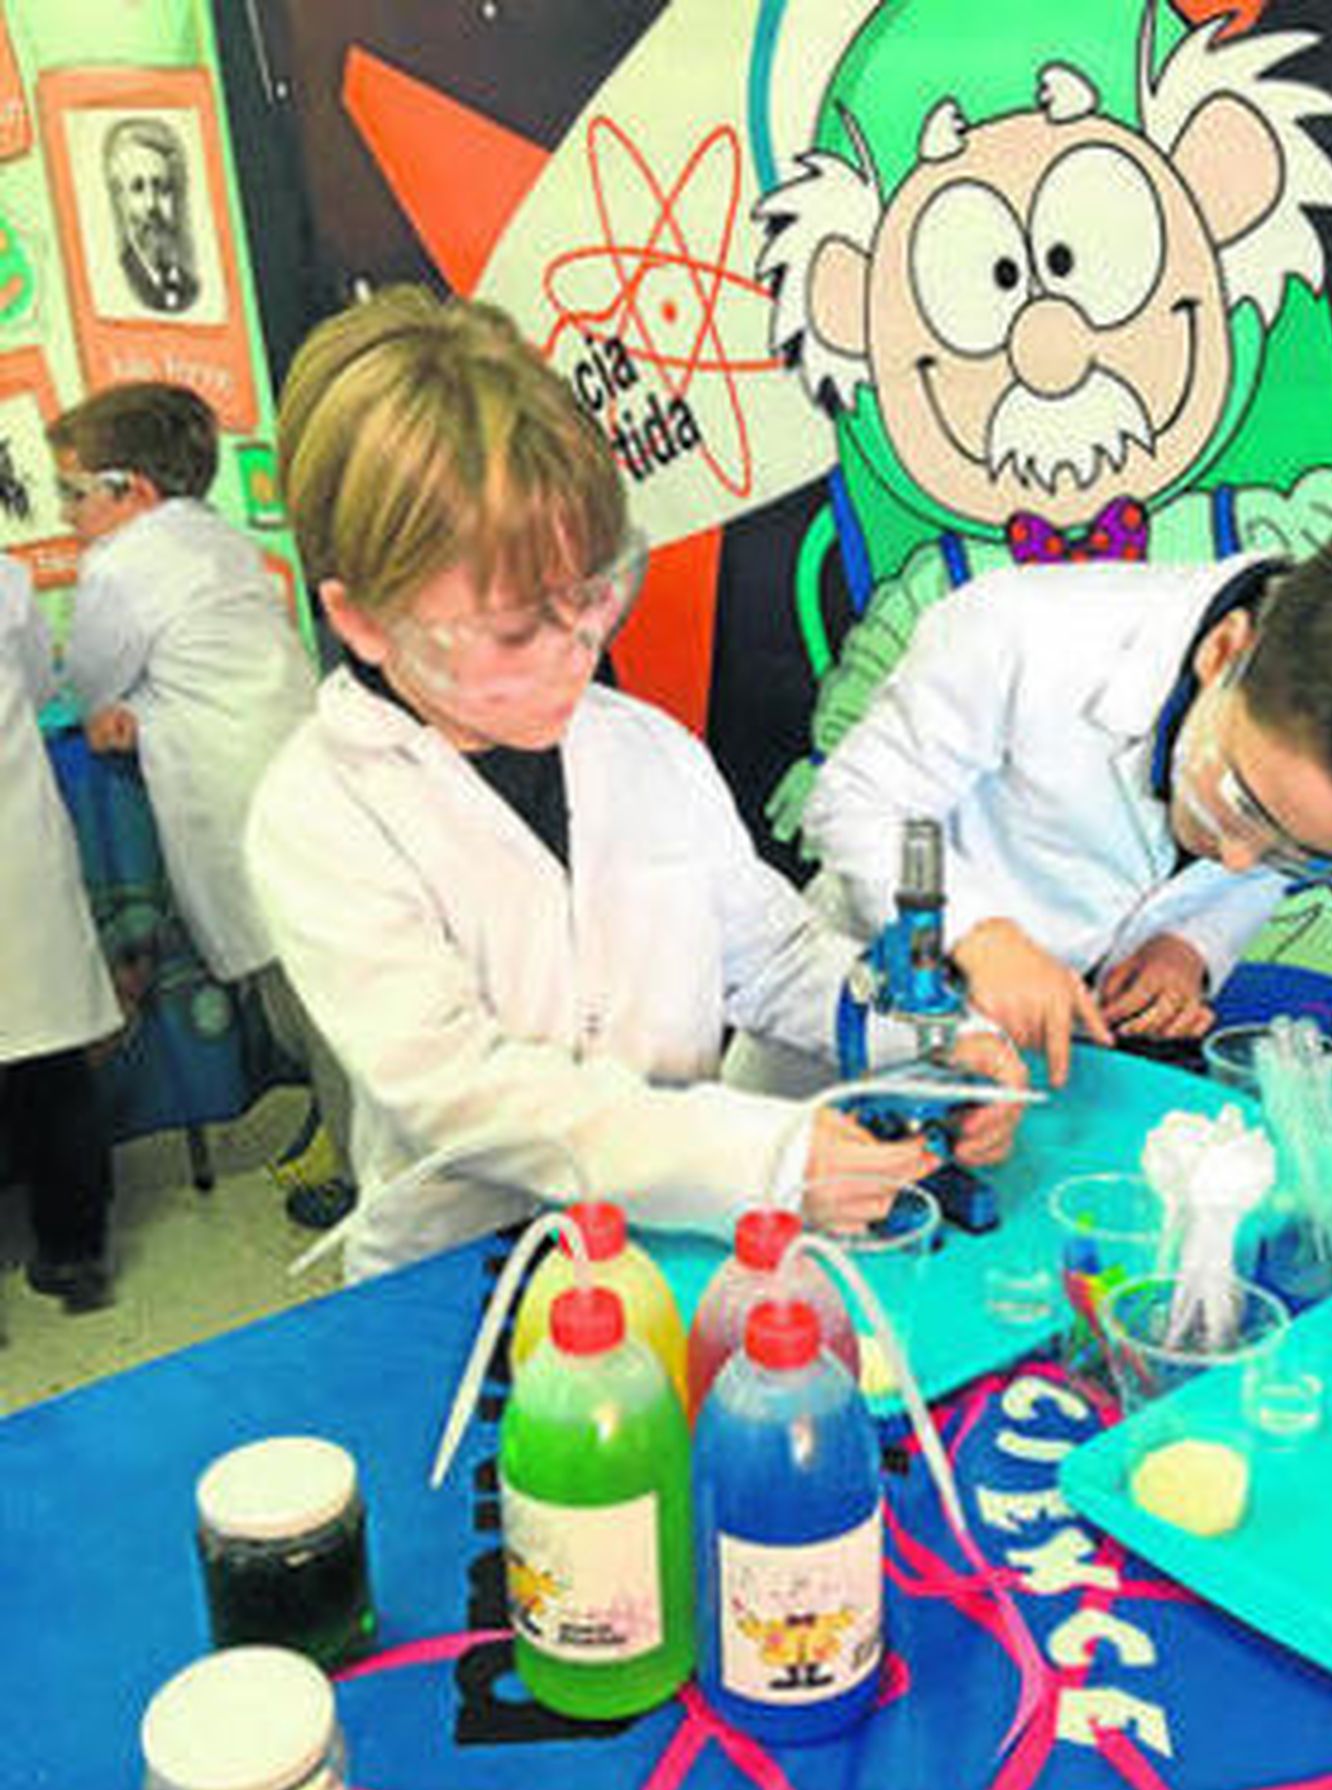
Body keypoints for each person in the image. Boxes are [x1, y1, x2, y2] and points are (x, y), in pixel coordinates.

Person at [245, 286, 1023, 1283]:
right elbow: (463, 1092)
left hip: (673, 1253)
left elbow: (776, 960)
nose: (578, 649)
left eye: (593, 592)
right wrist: (764, 1157)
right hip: (464, 1272)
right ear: (362, 622)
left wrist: (925, 1036)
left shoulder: (643, 747)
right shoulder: (323, 813)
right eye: (518, 628)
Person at [805, 524, 1332, 1084]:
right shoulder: (1020, 633)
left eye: (1305, 853)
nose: (1239, 858)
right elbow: (855, 803)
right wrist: (975, 932)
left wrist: (1193, 942)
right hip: (861, 1022)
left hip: (1048, 1068)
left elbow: (1255, 866)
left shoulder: (1320, 772)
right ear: (1223, 651)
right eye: (1242, 802)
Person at [46, 382, 349, 1213]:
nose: (67, 513)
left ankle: (368, 1173)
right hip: (304, 768)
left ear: (131, 491)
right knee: (329, 983)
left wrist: (128, 713)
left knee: (306, 1007)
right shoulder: (214, 538)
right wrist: (144, 714)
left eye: (75, 492)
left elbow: (88, 680)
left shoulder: (121, 564)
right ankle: (355, 1143)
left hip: (237, 796)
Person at [0, 554, 121, 1313]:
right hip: (17, 847)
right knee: (51, 1057)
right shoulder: (5, 578)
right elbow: (42, 689)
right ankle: (74, 1253)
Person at [103, 116, 199, 315]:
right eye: (137, 188)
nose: (152, 205)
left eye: (162, 188)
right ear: (120, 200)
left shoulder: (191, 287)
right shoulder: (115, 284)